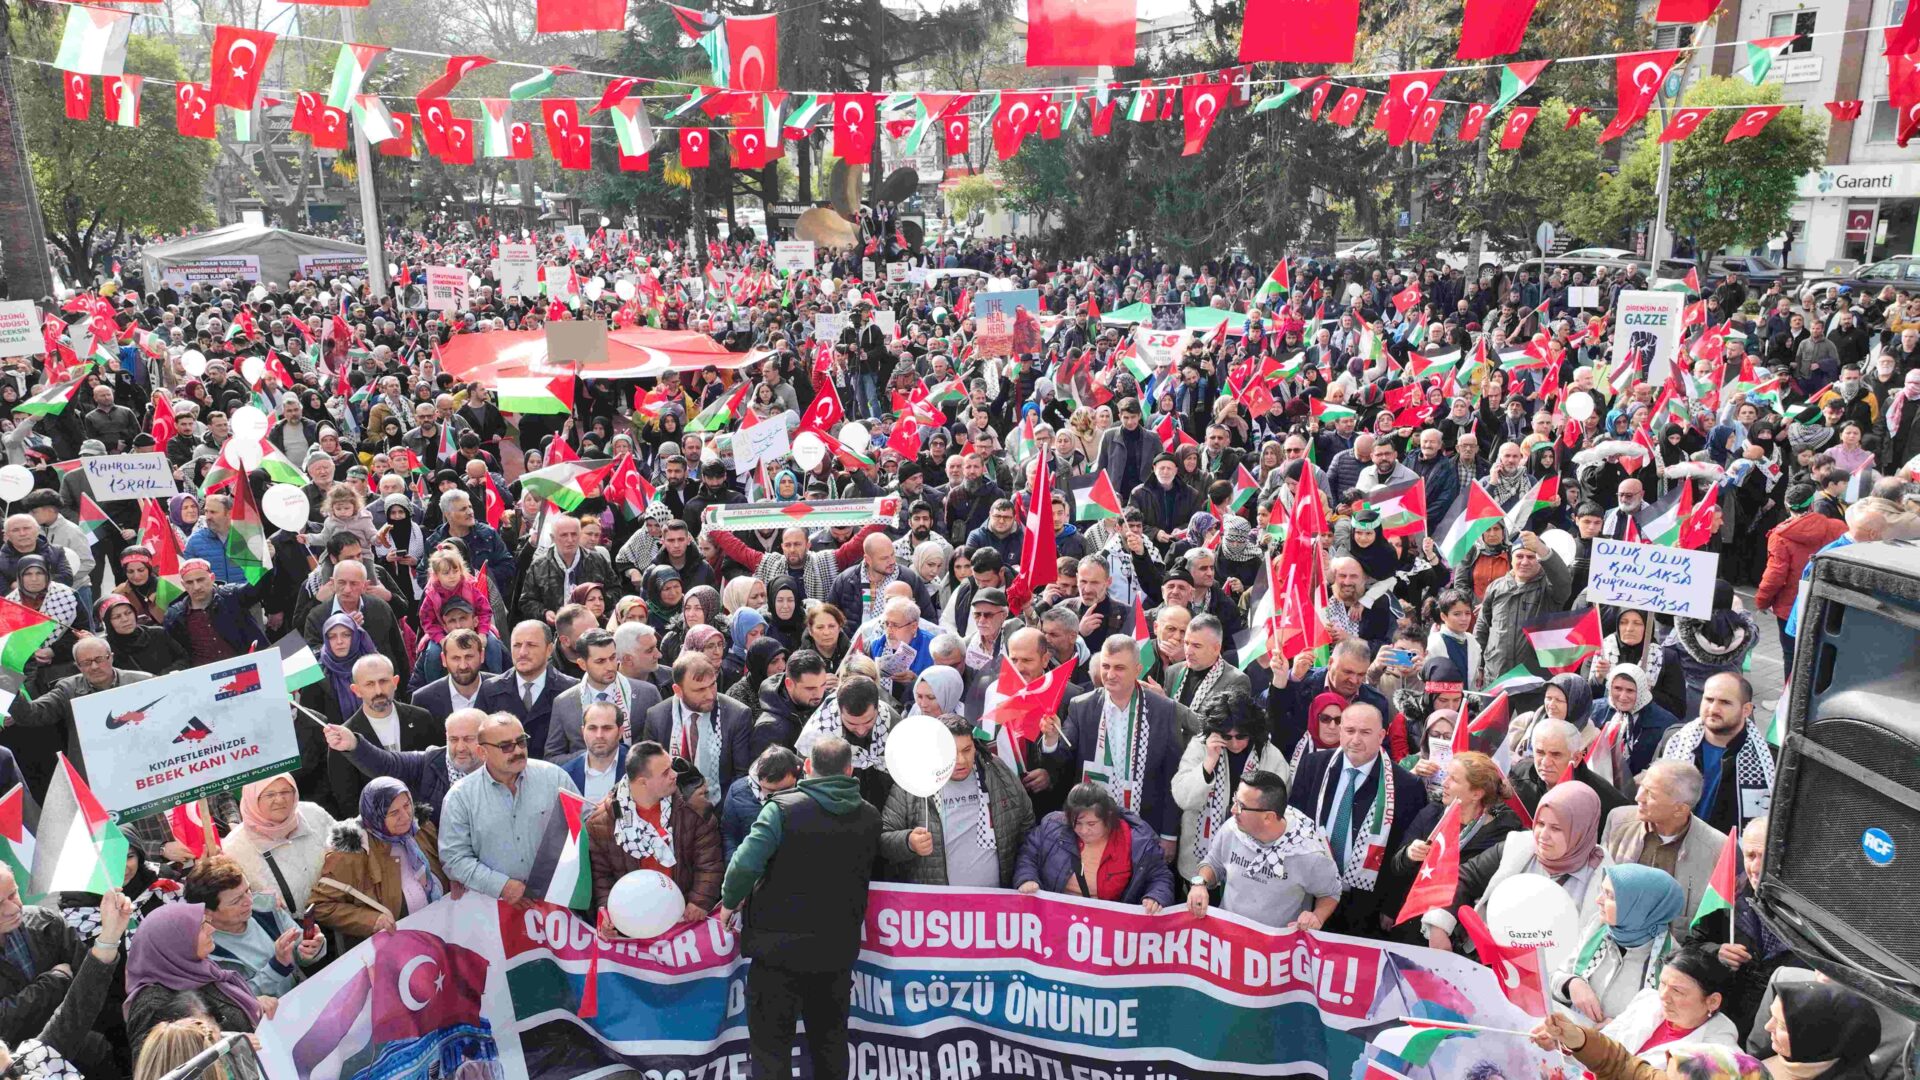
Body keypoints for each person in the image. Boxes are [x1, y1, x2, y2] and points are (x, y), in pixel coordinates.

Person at [714, 737, 882, 1080]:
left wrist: (729, 903)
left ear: (806, 766)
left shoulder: (781, 809)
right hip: (835, 952)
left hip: (777, 955)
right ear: (849, 770)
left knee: (771, 1050)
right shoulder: (869, 815)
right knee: (831, 1044)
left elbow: (744, 865)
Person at [1287, 700, 1426, 936]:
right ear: (1340, 731)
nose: (1356, 740)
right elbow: (1292, 823)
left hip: (1366, 905)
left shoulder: (1406, 786)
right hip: (1309, 894)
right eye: (1350, 731)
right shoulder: (1313, 766)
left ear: (1382, 735)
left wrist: (1392, 907)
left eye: (1365, 732)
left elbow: (1403, 852)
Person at [1424, 780, 1613, 951]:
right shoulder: (1519, 847)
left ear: (1581, 831)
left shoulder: (1605, 879)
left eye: (1556, 828)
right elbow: (1464, 877)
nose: (1543, 835)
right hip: (1492, 962)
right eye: (1540, 823)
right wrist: (1439, 926)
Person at [1040, 636, 1185, 852]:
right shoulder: (1082, 706)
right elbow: (1061, 763)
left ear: (1138, 669)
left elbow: (1172, 777)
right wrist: (1051, 739)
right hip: (1091, 827)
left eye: (1119, 668)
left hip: (1145, 827)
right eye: (1105, 666)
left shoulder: (1163, 710)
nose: (1110, 674)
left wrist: (1169, 836)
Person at [438, 712, 581, 903]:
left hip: (558, 903)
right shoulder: (460, 797)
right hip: (493, 910)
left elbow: (582, 830)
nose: (517, 751)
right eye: (506, 746)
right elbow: (454, 858)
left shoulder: (555, 778)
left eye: (521, 741)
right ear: (482, 753)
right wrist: (501, 886)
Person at [879, 715, 1035, 887]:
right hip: (938, 907)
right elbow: (884, 838)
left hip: (995, 903)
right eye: (951, 753)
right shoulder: (914, 780)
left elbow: (1026, 823)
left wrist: (1023, 876)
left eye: (967, 750)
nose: (961, 760)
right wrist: (909, 842)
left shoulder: (996, 770)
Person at [0, 885, 130, 1080]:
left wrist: (109, 936)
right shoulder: (30, 1062)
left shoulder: (46, 921)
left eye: (13, 893)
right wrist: (53, 983)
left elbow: (80, 1001)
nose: (13, 908)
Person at [585, 740, 724, 924]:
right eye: (666, 772)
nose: (675, 775)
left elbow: (710, 862)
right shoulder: (601, 822)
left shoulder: (694, 809)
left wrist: (699, 901)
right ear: (643, 782)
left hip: (684, 918)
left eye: (671, 767)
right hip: (633, 920)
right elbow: (601, 877)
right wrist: (609, 917)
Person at [1185, 770, 1341, 931]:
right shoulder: (1232, 829)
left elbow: (1331, 892)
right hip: (1227, 936)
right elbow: (1213, 863)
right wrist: (1199, 884)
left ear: (1269, 817)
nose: (1233, 810)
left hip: (1275, 948)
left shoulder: (1309, 854)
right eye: (1235, 800)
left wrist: (1317, 916)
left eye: (1242, 806)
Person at [308, 777, 447, 948]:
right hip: (393, 950)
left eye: (406, 805)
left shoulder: (421, 829)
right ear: (376, 815)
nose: (405, 817)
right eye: (393, 812)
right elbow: (321, 905)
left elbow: (445, 860)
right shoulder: (352, 854)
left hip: (438, 930)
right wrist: (371, 920)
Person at [1170, 690, 1289, 880]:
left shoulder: (1270, 755)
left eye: (1241, 736)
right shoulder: (1201, 746)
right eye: (1227, 736)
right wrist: (1208, 762)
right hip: (1198, 858)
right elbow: (1183, 798)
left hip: (1249, 862)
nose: (1234, 743)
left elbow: (1277, 811)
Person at [4, 635, 153, 781]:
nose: (94, 667)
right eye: (86, 662)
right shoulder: (68, 689)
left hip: (143, 764)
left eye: (99, 659)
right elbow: (32, 715)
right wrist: (13, 692)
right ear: (78, 666)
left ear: (111, 657)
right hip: (94, 772)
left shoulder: (143, 682)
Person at [1602, 761, 1726, 937]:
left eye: (1650, 794)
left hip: (1675, 954)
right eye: (1642, 787)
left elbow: (1716, 921)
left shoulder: (1717, 848)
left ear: (1680, 809)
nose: (1638, 797)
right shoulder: (1618, 821)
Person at [123, 904, 264, 1057]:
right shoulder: (152, 1002)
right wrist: (225, 1048)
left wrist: (256, 1003)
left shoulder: (199, 969)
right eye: (202, 926)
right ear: (175, 942)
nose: (212, 929)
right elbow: (156, 1066)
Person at [1553, 865, 1688, 1024]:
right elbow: (1556, 976)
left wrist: (1619, 1029)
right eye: (1602, 891)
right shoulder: (1597, 928)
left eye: (1610, 896)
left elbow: (1670, 1025)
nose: (1599, 900)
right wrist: (1571, 984)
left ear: (1640, 907)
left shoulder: (1670, 962)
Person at [1014, 782, 1176, 914]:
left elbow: (1160, 876)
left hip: (1107, 924)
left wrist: (1156, 897)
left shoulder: (1138, 841)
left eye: (1091, 824)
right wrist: (1027, 878)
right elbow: (1028, 854)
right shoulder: (1052, 826)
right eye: (1077, 823)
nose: (1084, 830)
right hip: (1057, 915)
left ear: (1108, 818)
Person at [181, 856, 324, 999]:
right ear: (207, 912)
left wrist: (312, 947)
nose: (249, 901)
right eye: (236, 900)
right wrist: (277, 967)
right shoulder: (204, 950)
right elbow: (233, 1004)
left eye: (247, 890)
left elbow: (301, 954)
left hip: (300, 998)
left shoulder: (266, 907)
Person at [320, 707, 486, 827]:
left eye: (469, 739)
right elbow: (387, 764)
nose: (460, 747)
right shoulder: (430, 762)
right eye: (454, 739)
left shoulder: (504, 768)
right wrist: (354, 744)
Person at [1657, 673, 1775, 836]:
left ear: (1746, 710)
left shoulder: (1766, 762)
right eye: (1709, 699)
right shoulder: (1674, 740)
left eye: (1725, 702)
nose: (1713, 709)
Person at [327, 654, 436, 818]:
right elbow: (347, 800)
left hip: (426, 821)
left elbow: (436, 772)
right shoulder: (344, 740)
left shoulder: (421, 719)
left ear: (395, 682)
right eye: (370, 684)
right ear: (356, 690)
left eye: (383, 681)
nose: (378, 691)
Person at [637, 653, 754, 803]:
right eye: (699, 690)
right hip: (671, 808)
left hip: (720, 809)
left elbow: (741, 777)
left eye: (712, 685)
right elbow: (650, 772)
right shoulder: (657, 716)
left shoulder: (737, 715)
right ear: (678, 691)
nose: (710, 695)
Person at [220, 774, 335, 913]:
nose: (280, 800)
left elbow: (344, 851)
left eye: (286, 792)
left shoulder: (314, 814)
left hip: (335, 913)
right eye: (270, 795)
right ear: (253, 799)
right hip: (287, 928)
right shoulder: (234, 846)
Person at [546, 627, 660, 763]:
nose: (610, 666)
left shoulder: (647, 694)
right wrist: (591, 757)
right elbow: (552, 758)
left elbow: (661, 750)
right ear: (582, 664)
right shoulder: (564, 702)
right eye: (600, 661)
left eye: (612, 658)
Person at [475, 620, 580, 758]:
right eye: (517, 645)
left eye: (531, 645)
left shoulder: (571, 690)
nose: (522, 652)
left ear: (549, 649)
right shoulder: (491, 689)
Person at [1749, 980, 1886, 1079]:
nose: (1768, 1027)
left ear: (1814, 1039)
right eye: (1772, 1016)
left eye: (1782, 1026)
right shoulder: (1787, 1051)